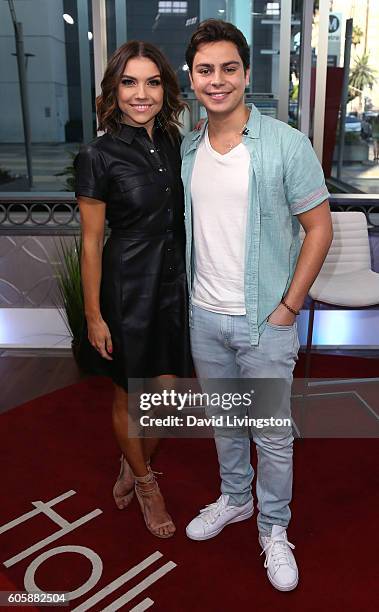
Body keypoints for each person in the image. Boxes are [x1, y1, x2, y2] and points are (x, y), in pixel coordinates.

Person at [181, 20, 333, 590]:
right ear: (191, 78)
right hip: (205, 314)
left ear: (246, 74)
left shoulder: (287, 145)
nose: (216, 81)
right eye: (204, 70)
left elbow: (318, 229)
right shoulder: (190, 148)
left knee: (269, 431)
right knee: (226, 423)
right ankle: (235, 500)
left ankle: (274, 528)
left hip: (265, 319)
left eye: (228, 69)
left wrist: (289, 307)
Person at [74, 41, 192, 538]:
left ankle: (132, 461)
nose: (141, 94)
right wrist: (95, 315)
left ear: (165, 88)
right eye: (129, 82)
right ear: (114, 91)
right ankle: (146, 483)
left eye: (152, 82)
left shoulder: (173, 142)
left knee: (167, 396)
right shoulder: (97, 155)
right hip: (126, 290)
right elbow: (91, 244)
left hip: (173, 285)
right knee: (131, 394)